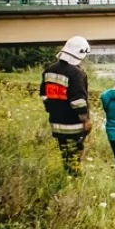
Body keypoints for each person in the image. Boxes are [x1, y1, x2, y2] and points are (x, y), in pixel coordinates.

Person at [40, 36, 92, 176]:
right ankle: (74, 179)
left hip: (56, 123)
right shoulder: (76, 73)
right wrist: (85, 120)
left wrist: (53, 109)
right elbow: (78, 102)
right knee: (75, 156)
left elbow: (44, 96)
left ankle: (68, 175)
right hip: (73, 125)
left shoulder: (49, 70)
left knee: (65, 154)